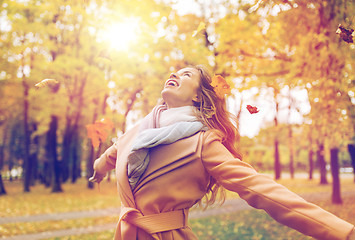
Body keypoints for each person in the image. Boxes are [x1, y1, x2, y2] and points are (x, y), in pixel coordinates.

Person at [89, 65, 355, 240]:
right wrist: (98, 170)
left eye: (186, 75)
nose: (175, 74)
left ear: (197, 97)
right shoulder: (141, 130)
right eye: (176, 72)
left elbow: (263, 191)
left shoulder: (204, 144)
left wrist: (342, 232)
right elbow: (114, 152)